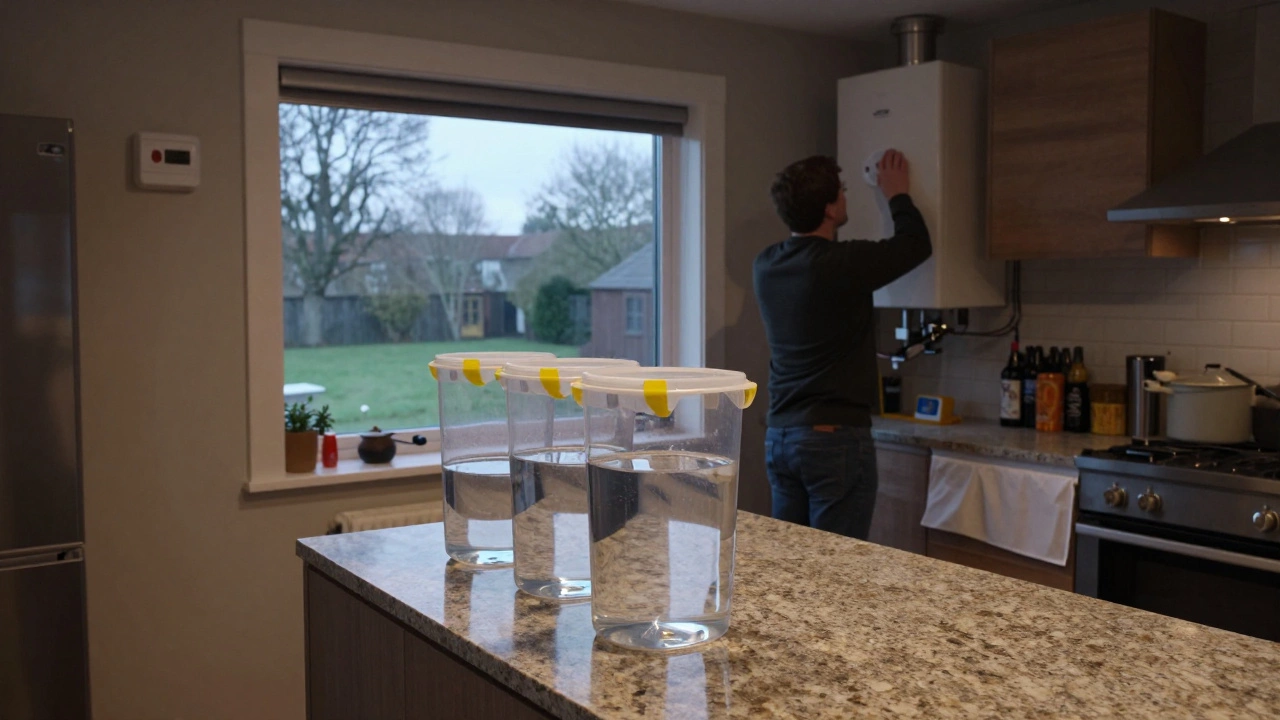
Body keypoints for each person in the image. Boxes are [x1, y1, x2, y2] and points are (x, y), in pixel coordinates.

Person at [753, 151, 931, 539]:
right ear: (830, 208)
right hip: (834, 441)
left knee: (793, 566)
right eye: (843, 192)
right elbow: (916, 244)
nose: (847, 198)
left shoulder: (765, 265)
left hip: (780, 436)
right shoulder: (844, 264)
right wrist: (897, 194)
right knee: (837, 569)